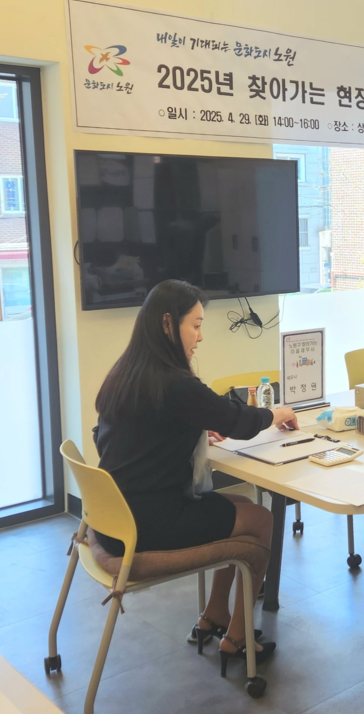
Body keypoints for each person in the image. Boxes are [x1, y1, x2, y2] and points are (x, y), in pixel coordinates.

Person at [93, 279, 299, 672]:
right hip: (147, 526)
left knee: (239, 507)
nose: (201, 337)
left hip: (113, 519)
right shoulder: (174, 382)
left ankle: (215, 615)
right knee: (261, 521)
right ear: (168, 324)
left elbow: (121, 434)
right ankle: (238, 638)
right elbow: (238, 421)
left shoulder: (127, 372)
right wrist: (279, 413)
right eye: (197, 325)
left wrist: (191, 427)